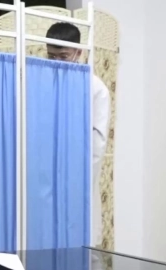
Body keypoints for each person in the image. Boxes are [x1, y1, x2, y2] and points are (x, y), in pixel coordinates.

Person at [46, 22, 111, 247]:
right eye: (51, 56)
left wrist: (76, 178)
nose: (56, 62)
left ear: (79, 52)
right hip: (45, 178)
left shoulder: (95, 88)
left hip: (77, 177)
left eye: (63, 56)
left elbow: (97, 144)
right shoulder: (42, 82)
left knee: (78, 240)